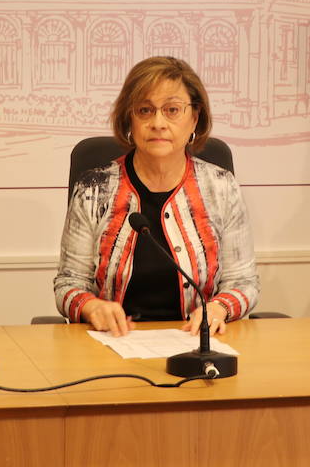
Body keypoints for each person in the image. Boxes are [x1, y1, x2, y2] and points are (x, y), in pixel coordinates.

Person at [55, 57, 258, 336]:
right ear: (130, 119)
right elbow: (68, 284)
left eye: (172, 110)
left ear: (195, 118)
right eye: (145, 110)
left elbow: (244, 282)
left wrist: (219, 308)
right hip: (112, 343)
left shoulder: (221, 187)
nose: (158, 123)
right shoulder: (94, 188)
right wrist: (92, 307)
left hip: (198, 343)